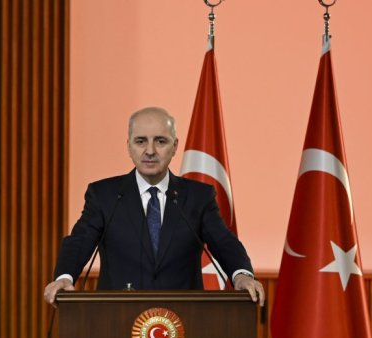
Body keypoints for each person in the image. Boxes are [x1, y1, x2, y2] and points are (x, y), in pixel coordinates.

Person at [43, 107, 264, 306]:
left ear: (175, 145)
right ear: (128, 146)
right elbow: (80, 241)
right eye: (140, 141)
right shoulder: (104, 195)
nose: (150, 150)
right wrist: (64, 278)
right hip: (117, 320)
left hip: (185, 321)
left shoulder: (198, 196)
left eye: (160, 141)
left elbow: (224, 241)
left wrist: (242, 275)